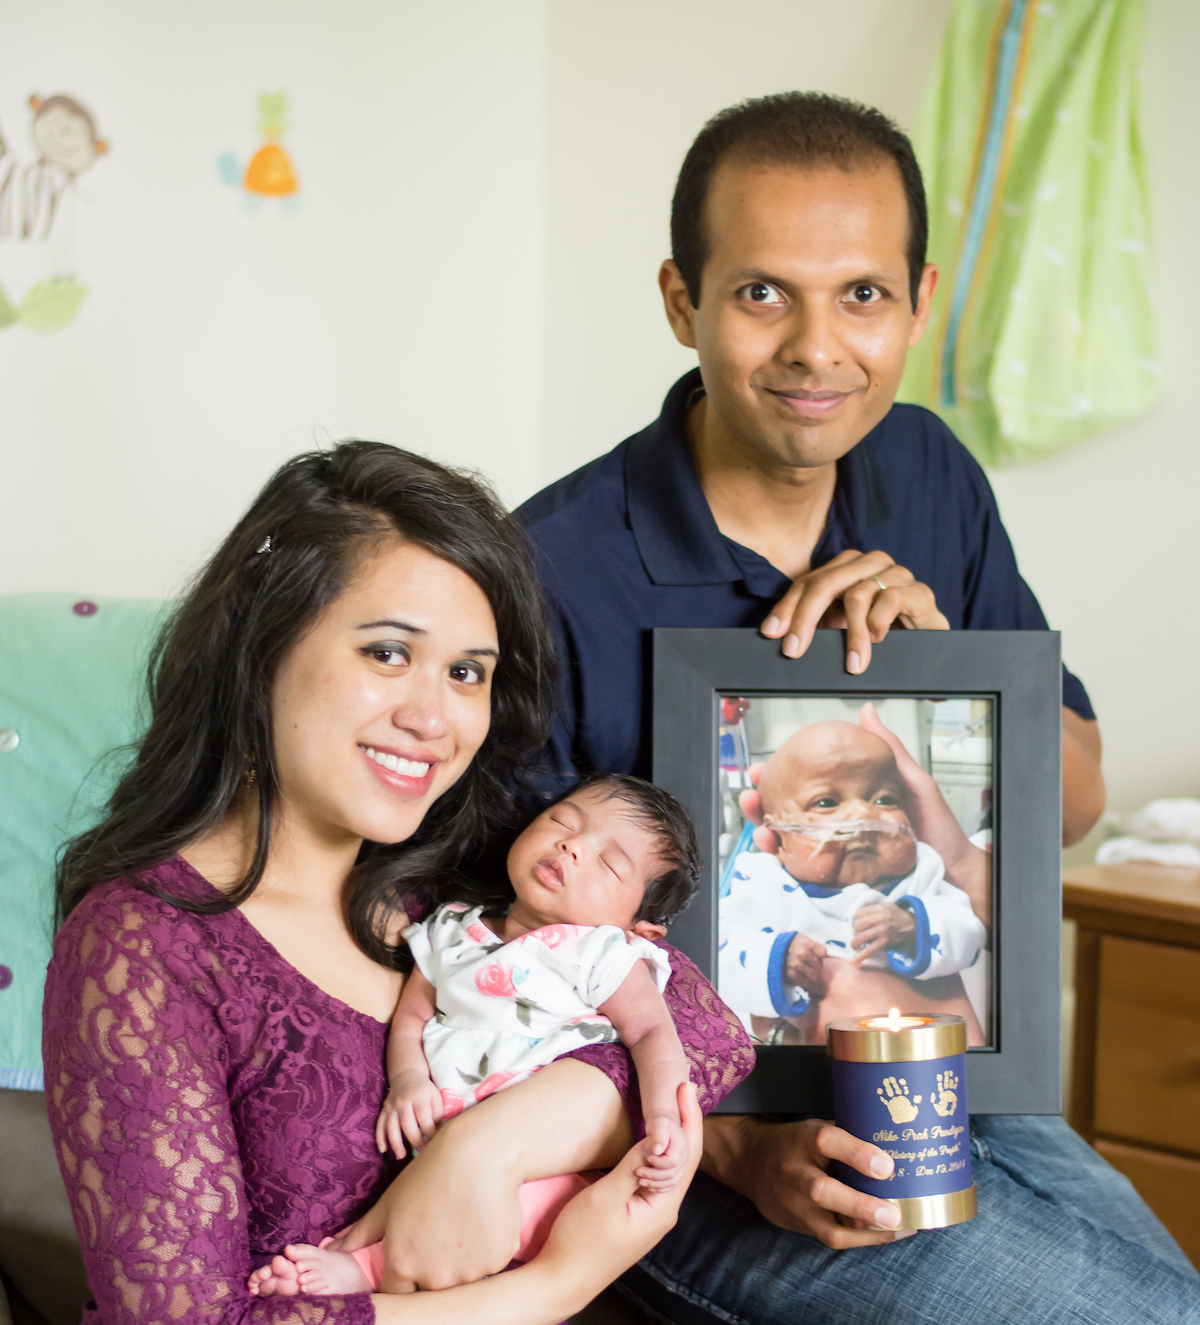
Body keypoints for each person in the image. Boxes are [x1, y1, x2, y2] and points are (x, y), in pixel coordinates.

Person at [513, 93, 1199, 1322]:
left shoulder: (929, 469)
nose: (818, 348)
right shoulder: (549, 573)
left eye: (864, 295)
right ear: (683, 300)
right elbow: (483, 953)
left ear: (921, 301)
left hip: (951, 1079)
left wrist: (950, 671)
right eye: (763, 292)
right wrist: (728, 1146)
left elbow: (1074, 807)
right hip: (694, 1145)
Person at [42, 441, 753, 1324]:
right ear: (260, 648)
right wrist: (548, 1285)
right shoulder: (145, 946)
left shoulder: (454, 879)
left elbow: (707, 1029)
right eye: (388, 653)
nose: (433, 718)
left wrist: (485, 1149)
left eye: (467, 673)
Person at [249, 773, 707, 1298]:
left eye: (608, 862)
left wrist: (664, 1119)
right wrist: (407, 1081)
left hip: (543, 1158)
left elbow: (653, 1033)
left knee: (523, 1211)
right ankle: (355, 1249)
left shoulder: (602, 952)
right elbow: (413, 1016)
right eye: (563, 821)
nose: (572, 846)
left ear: (639, 928)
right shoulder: (451, 928)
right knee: (423, 1192)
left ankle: (364, 1269)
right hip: (444, 1131)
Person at [718, 719, 986, 1040]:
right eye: (826, 802)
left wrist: (911, 927)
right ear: (778, 831)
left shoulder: (921, 875)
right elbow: (720, 955)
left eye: (884, 799)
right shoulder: (762, 881)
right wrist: (778, 957)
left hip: (919, 1051)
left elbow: (968, 934)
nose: (862, 815)